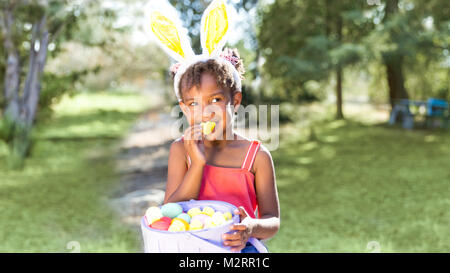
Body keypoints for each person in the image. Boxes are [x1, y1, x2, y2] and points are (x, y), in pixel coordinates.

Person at [150, 0, 280, 252]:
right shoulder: (181, 150)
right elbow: (170, 210)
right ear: (184, 108)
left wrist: (251, 228)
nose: (206, 112)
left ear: (236, 101)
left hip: (240, 249)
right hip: (191, 249)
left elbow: (272, 220)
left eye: (215, 100)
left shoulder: (257, 156)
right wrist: (196, 163)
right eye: (193, 104)